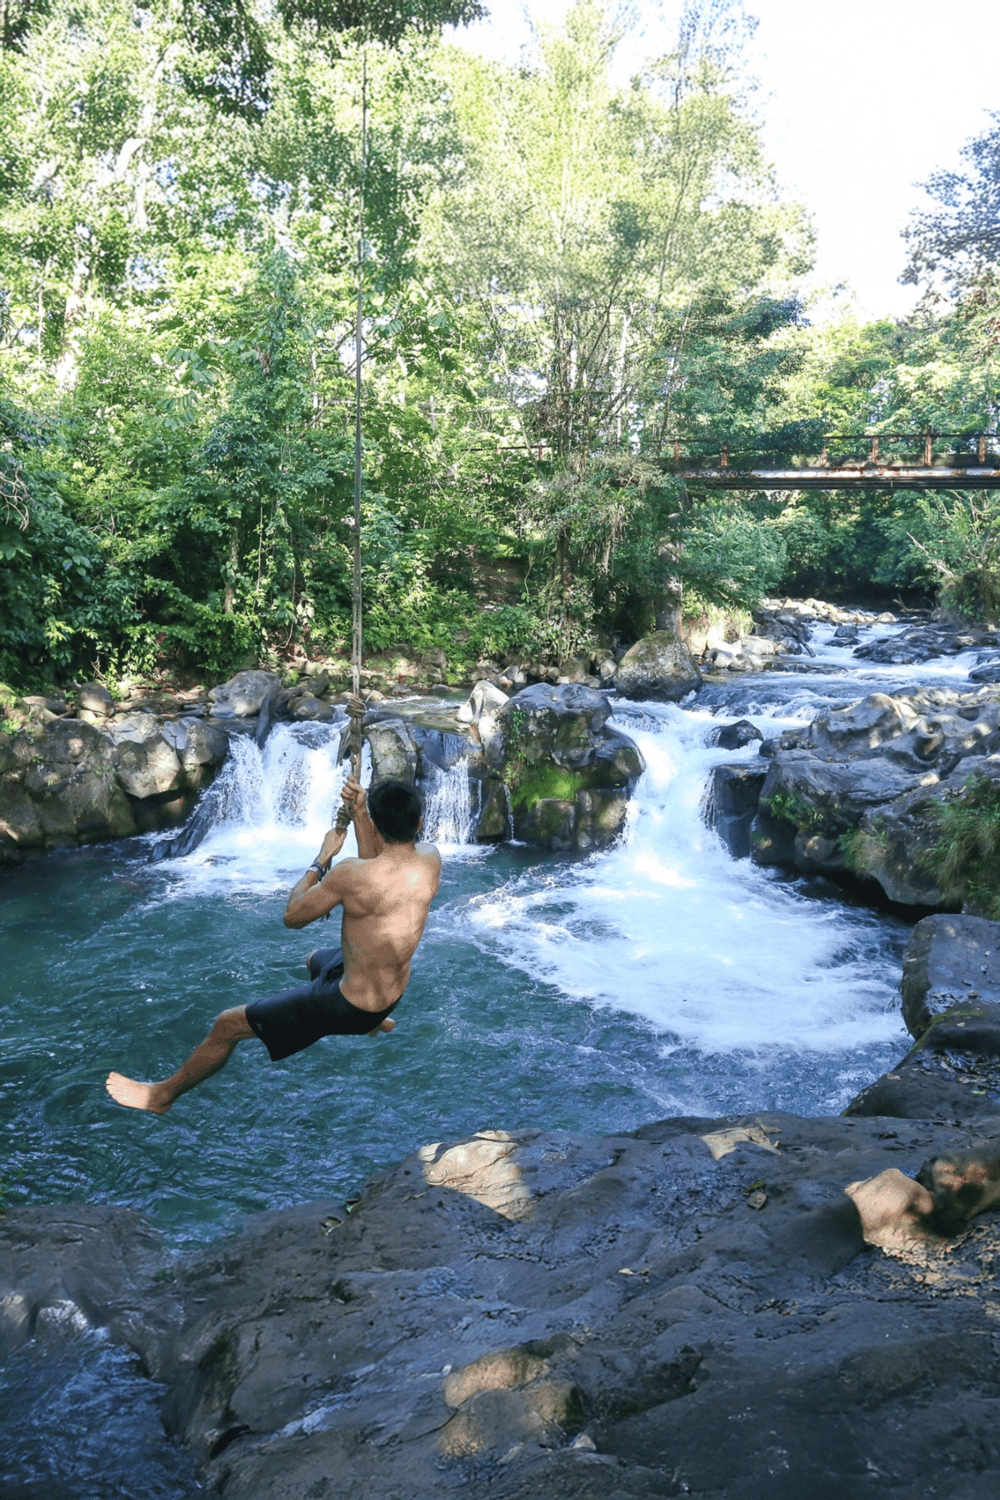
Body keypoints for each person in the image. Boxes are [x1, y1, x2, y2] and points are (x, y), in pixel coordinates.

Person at [105, 774, 441, 1114]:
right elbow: (375, 863)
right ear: (419, 823)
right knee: (314, 960)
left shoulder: (350, 875)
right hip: (392, 994)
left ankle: (161, 1097)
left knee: (227, 1025)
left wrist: (322, 857)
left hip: (350, 1006)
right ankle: (374, 1020)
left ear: (378, 826)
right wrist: (358, 810)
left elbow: (292, 916)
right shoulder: (430, 859)